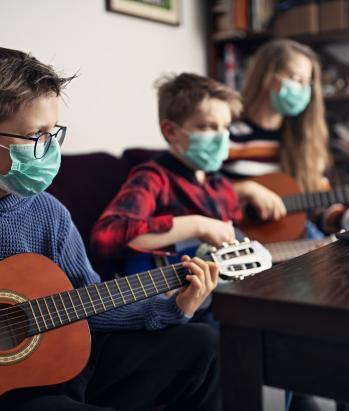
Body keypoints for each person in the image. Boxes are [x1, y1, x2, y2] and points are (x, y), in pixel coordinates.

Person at [0, 45, 221, 411]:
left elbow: (86, 302)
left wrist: (169, 307)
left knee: (202, 343)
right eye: (37, 136)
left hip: (51, 368)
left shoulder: (49, 213)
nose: (50, 150)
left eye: (54, 133)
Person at [90, 72, 282, 281]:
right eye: (208, 126)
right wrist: (198, 225)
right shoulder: (153, 178)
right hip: (169, 295)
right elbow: (106, 236)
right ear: (171, 131)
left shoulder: (219, 185)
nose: (221, 136)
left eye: (225, 127)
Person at [223, 39, 349, 237]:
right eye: (297, 79)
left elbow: (323, 211)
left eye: (308, 84)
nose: (303, 90)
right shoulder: (226, 138)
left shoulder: (305, 144)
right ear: (268, 76)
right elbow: (201, 199)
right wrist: (244, 189)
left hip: (293, 250)